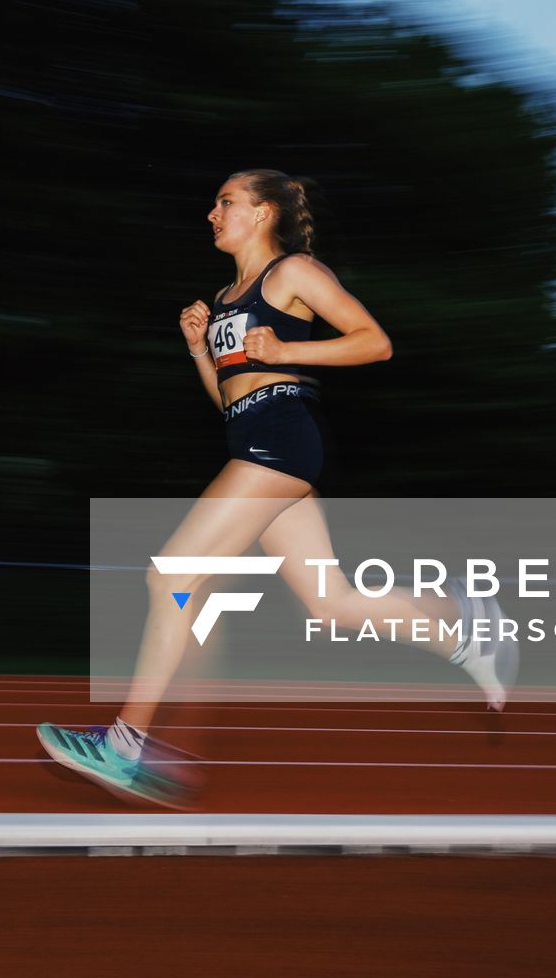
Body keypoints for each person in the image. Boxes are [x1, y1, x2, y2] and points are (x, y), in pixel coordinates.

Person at [36, 169, 519, 808]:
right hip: (255, 443)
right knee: (331, 603)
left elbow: (375, 344)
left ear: (263, 213)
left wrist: (287, 349)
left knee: (172, 577)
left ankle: (127, 745)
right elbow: (229, 400)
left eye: (226, 202)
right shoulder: (226, 297)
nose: (212, 212)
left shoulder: (291, 273)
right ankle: (466, 627)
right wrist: (198, 350)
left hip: (284, 442)